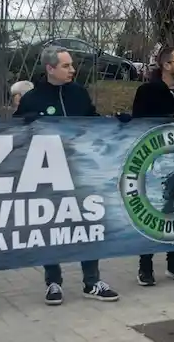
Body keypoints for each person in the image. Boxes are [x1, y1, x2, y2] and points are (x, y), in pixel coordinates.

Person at [16, 45, 119, 305]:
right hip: (48, 174)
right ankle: (53, 282)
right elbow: (15, 134)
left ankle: (92, 281)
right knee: (52, 226)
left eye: (72, 65)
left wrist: (117, 123)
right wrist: (23, 121)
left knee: (88, 222)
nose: (73, 69)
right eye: (66, 66)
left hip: (81, 170)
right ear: (50, 68)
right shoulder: (32, 98)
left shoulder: (79, 93)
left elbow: (92, 121)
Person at [131, 47, 174, 286]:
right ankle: (145, 265)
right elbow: (138, 121)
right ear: (166, 65)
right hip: (154, 161)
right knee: (153, 210)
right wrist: (170, 118)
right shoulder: (147, 91)